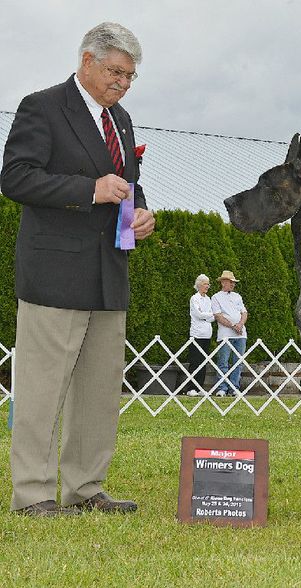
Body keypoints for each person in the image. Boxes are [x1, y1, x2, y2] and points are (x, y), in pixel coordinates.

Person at [0, 22, 155, 516]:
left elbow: (127, 182)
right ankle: (33, 493)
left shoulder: (122, 119)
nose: (123, 84)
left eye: (130, 76)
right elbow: (16, 177)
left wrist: (141, 216)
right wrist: (87, 190)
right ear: (87, 60)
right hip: (54, 274)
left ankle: (86, 488)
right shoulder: (41, 106)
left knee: (99, 390)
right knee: (42, 390)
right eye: (115, 72)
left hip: (109, 272)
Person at [211, 270, 248, 397]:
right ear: (223, 282)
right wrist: (233, 326)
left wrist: (240, 324)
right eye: (230, 282)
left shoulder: (238, 296)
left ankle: (234, 388)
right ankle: (222, 388)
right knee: (223, 361)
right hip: (225, 334)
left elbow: (244, 312)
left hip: (241, 334)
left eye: (233, 282)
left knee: (238, 362)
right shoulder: (216, 297)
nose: (232, 284)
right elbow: (218, 316)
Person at [186, 274, 215, 397]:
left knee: (203, 361)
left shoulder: (208, 299)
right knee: (195, 360)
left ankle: (199, 387)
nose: (207, 286)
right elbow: (198, 314)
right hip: (196, 333)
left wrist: (207, 315)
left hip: (207, 333)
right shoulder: (194, 298)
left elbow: (213, 316)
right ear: (199, 285)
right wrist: (208, 315)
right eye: (205, 284)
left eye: (208, 284)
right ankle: (191, 387)